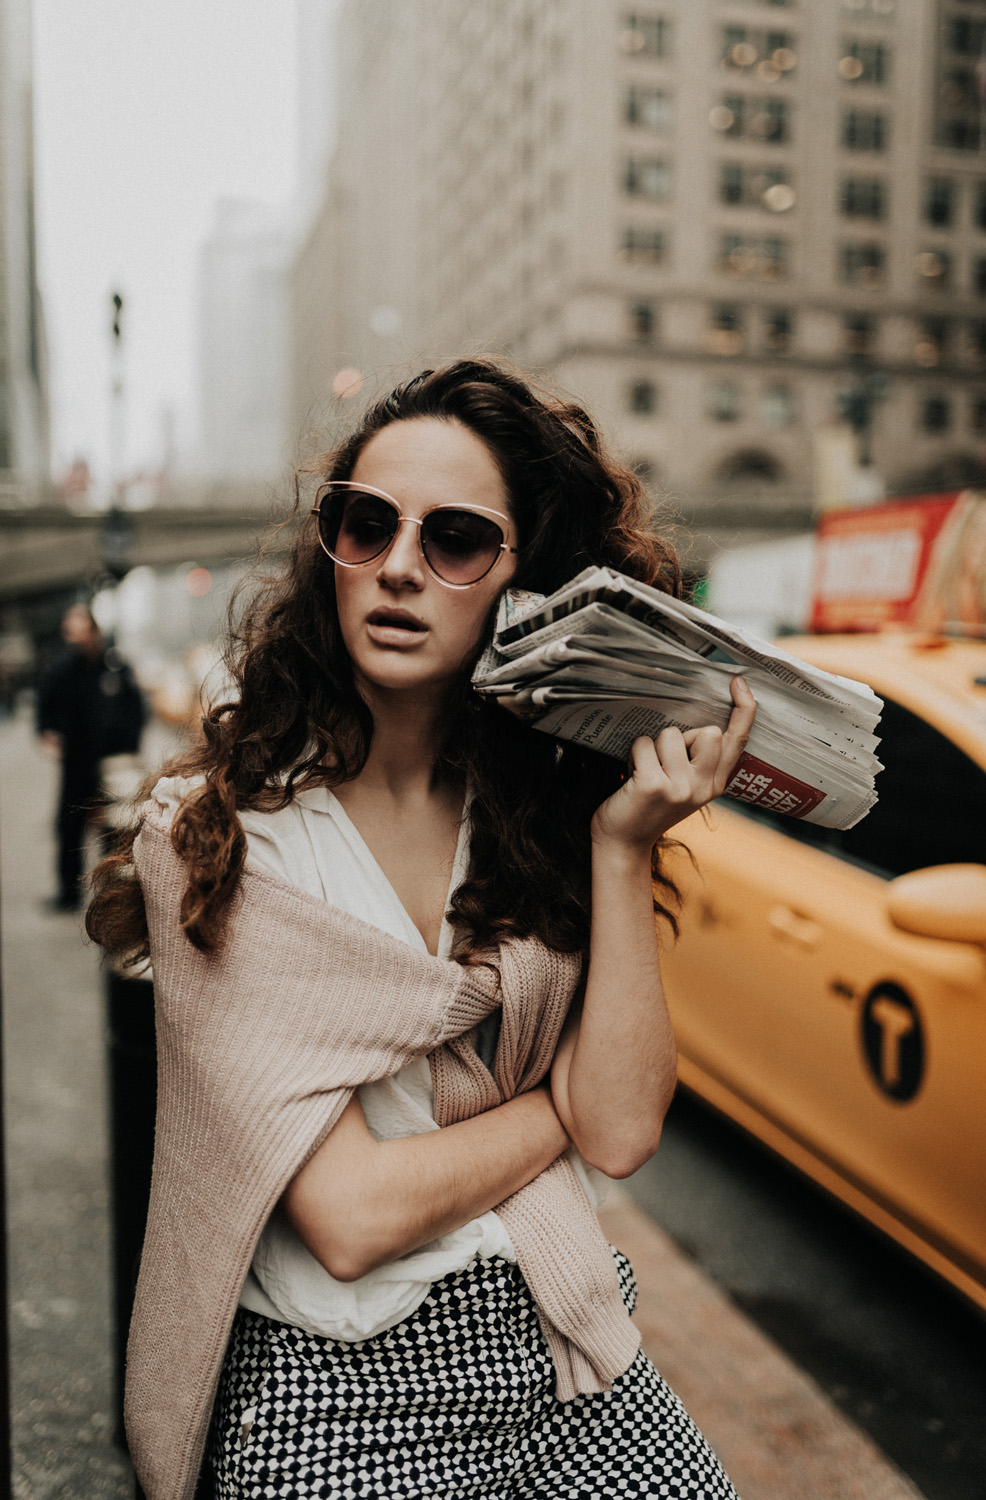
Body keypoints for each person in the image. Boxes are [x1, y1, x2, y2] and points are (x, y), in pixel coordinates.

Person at [87, 359, 756, 1500]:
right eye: (366, 525)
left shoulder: (543, 814)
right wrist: (557, 1108)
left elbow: (628, 1127)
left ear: (522, 580)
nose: (399, 567)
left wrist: (622, 846)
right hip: (340, 1377)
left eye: (454, 539)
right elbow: (350, 1218)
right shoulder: (220, 843)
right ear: (331, 552)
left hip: (563, 1332)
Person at [37, 603, 145, 910]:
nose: (73, 638)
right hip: (76, 762)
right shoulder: (61, 670)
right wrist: (46, 732)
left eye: (79, 631)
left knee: (114, 828)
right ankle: (68, 893)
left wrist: (130, 751)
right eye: (69, 632)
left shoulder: (115, 668)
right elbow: (45, 707)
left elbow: (135, 711)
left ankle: (113, 893)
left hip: (112, 763)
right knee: (69, 827)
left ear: (94, 631)